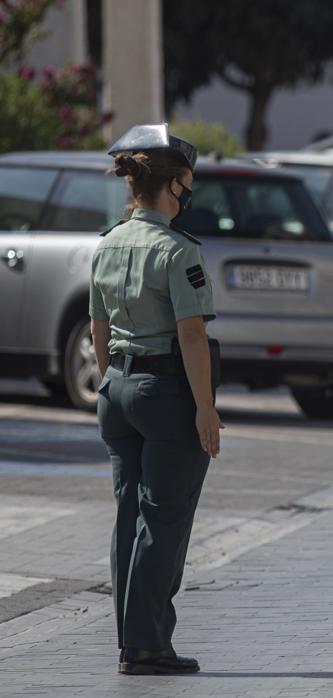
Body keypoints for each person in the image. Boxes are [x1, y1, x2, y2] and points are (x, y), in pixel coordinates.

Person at [91, 123, 221, 675]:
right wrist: (206, 408)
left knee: (128, 518)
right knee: (163, 520)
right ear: (172, 189)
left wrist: (110, 381)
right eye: (186, 185)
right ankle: (147, 645)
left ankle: (131, 637)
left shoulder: (108, 243)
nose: (187, 196)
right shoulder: (177, 250)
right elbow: (191, 336)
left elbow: (98, 326)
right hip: (166, 392)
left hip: (117, 388)